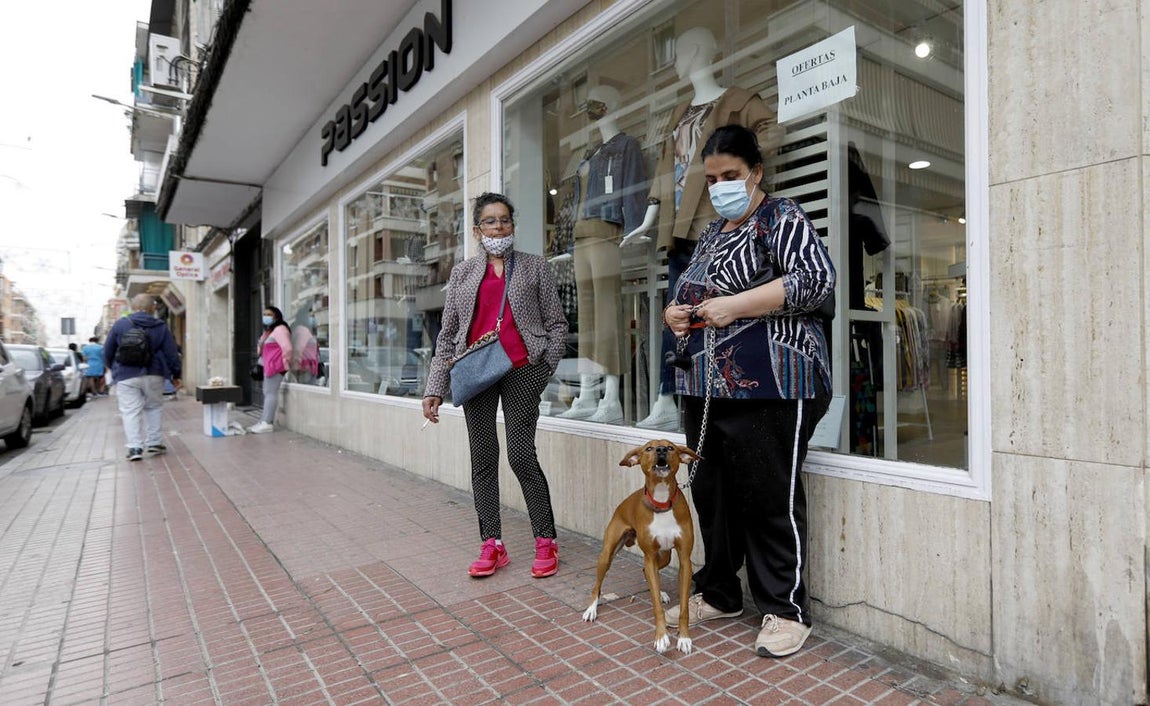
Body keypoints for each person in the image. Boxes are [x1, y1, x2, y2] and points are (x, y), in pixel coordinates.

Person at [662, 125, 835, 658]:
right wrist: (674, 313)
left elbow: (817, 280)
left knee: (768, 496)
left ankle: (786, 610)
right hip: (709, 387)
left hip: (776, 382)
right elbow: (686, 290)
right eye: (712, 179)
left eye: (731, 176)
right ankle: (719, 592)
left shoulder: (781, 218)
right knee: (712, 494)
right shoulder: (713, 233)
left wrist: (734, 306)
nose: (720, 187)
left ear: (756, 173)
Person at [624, 26, 783, 431]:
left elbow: (772, 132)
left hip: (719, 222)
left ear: (696, 51)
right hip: (680, 225)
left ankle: (720, 397)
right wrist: (650, 216)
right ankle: (668, 397)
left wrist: (738, 177)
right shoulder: (680, 112)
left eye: (677, 53)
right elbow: (666, 166)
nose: (675, 62)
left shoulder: (737, 102)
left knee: (726, 312)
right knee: (677, 315)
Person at [422, 192, 568, 579]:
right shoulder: (463, 273)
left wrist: (545, 366)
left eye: (505, 220)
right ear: (477, 229)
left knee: (521, 455)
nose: (498, 227)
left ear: (512, 226)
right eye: (490, 221)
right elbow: (449, 333)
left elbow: (556, 324)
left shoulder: (535, 268)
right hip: (476, 372)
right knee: (483, 458)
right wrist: (435, 386)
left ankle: (545, 540)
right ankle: (492, 544)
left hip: (523, 370)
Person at [104, 294, 182, 461]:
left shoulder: (120, 325)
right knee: (153, 407)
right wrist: (176, 374)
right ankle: (154, 442)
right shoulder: (160, 326)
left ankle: (134, 448)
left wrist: (115, 369)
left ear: (132, 307)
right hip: (154, 373)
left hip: (126, 374)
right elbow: (171, 353)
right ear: (152, 308)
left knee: (130, 411)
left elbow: (108, 351)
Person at [251, 306, 293, 433]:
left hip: (276, 367)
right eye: (264, 314)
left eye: (269, 314)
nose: (266, 316)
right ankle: (263, 420)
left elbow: (288, 348)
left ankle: (267, 422)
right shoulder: (270, 331)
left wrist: (285, 363)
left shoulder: (280, 329)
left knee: (270, 393)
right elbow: (262, 349)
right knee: (267, 392)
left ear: (276, 316)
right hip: (269, 367)